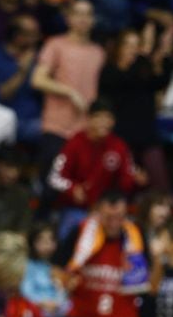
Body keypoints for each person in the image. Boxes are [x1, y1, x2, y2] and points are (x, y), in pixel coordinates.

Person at [55, 190, 149, 317]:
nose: (114, 223)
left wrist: (157, 259)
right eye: (108, 217)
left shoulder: (137, 236)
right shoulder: (81, 232)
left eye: (119, 217)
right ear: (97, 212)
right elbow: (56, 267)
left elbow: (151, 283)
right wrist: (65, 282)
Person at [31, 0, 106, 185]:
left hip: (86, 128)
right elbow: (37, 79)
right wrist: (70, 92)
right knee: (51, 181)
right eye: (78, 13)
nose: (83, 19)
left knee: (79, 182)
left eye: (88, 14)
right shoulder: (56, 44)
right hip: (56, 125)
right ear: (69, 18)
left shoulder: (98, 52)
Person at [47, 99, 143, 241]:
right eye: (99, 117)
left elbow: (126, 181)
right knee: (69, 236)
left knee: (128, 236)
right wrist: (73, 189)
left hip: (108, 212)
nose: (104, 122)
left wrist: (109, 203)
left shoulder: (119, 147)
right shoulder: (75, 143)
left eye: (108, 117)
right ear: (89, 119)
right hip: (77, 209)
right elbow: (54, 177)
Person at [99, 26, 173, 193]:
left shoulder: (142, 70)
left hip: (147, 136)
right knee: (120, 182)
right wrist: (144, 57)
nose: (133, 50)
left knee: (160, 180)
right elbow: (126, 80)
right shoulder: (109, 72)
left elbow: (160, 81)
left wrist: (166, 55)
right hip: (120, 138)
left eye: (136, 45)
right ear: (119, 47)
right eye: (128, 45)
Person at [0, 14, 43, 146]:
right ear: (17, 36)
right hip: (6, 121)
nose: (37, 38)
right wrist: (22, 72)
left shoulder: (39, 57)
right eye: (32, 34)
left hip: (35, 118)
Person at [21, 222, 71, 317]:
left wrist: (57, 301)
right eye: (42, 241)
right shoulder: (28, 265)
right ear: (32, 243)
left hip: (55, 309)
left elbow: (62, 292)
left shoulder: (55, 267)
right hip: (36, 309)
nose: (47, 244)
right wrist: (42, 303)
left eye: (51, 240)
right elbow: (26, 291)